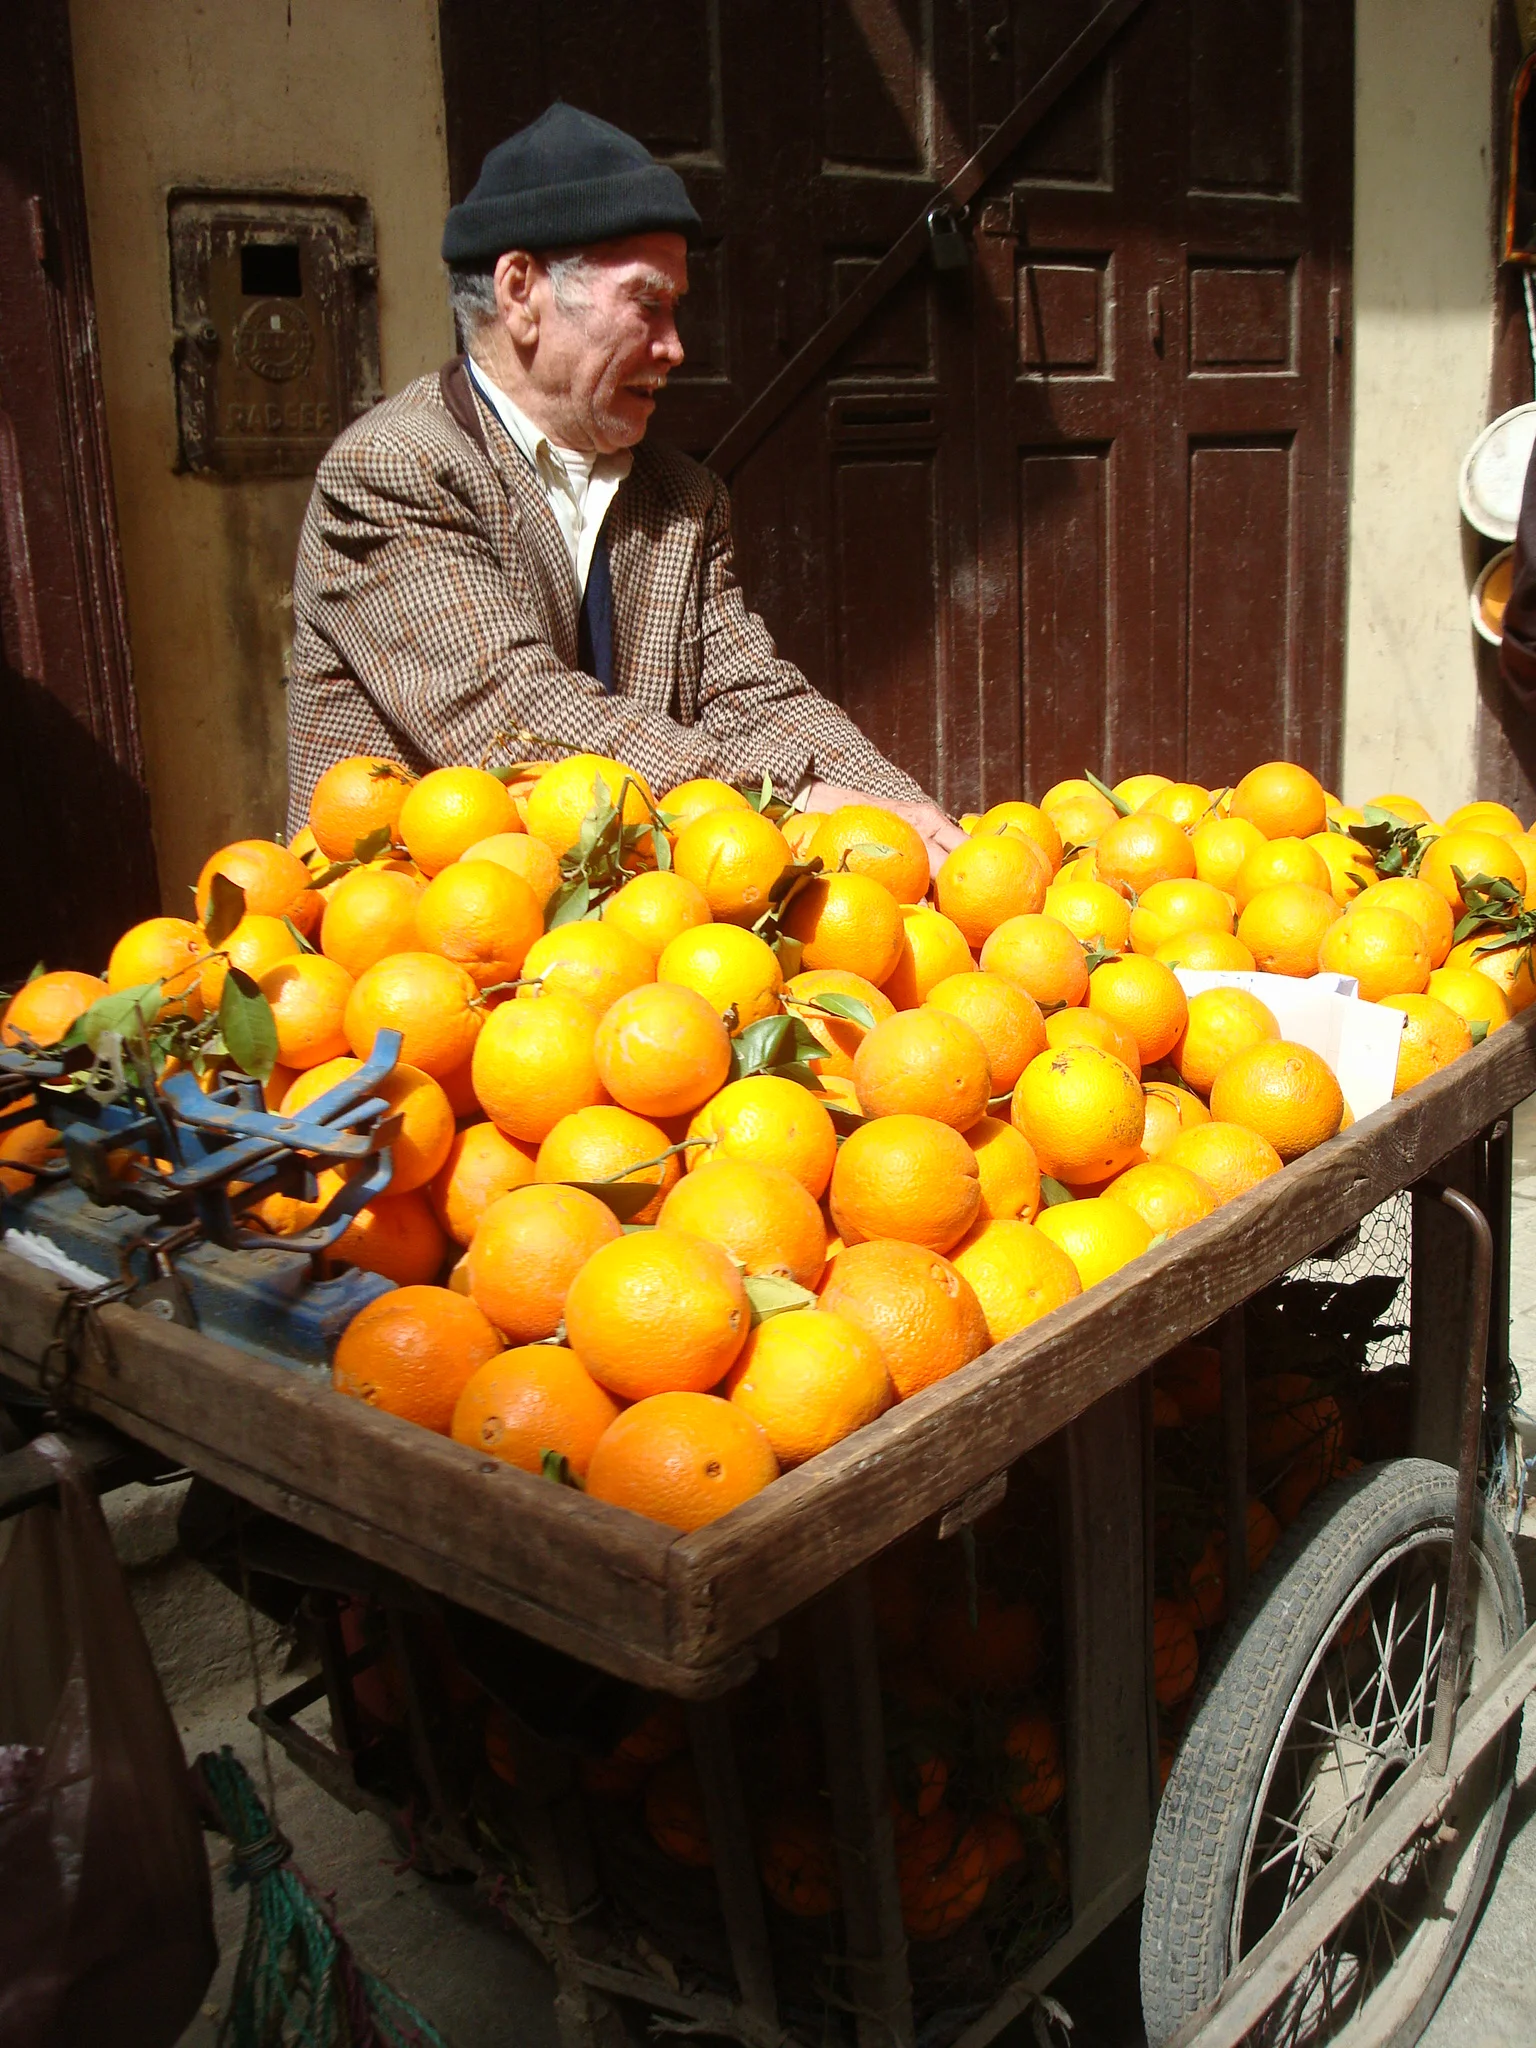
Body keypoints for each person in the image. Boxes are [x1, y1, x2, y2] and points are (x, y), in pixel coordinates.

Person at [287, 102, 962, 871]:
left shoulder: (682, 497)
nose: (675, 347)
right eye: (649, 303)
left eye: (677, 309)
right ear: (521, 291)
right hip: (415, 946)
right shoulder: (395, 467)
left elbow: (752, 692)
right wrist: (798, 796)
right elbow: (511, 716)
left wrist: (910, 822)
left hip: (634, 949)